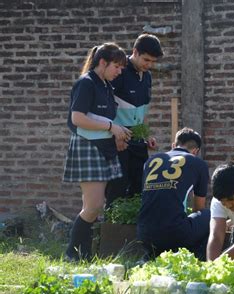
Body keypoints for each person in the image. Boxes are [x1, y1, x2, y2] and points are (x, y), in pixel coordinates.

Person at [63, 43, 131, 260]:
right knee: (93, 206)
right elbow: (78, 118)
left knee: (93, 207)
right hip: (87, 147)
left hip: (103, 147)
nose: (120, 72)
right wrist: (112, 128)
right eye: (117, 67)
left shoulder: (106, 85)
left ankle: (83, 254)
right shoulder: (86, 83)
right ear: (103, 62)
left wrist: (118, 134)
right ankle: (71, 254)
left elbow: (103, 118)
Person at [106, 33, 164, 207]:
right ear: (135, 52)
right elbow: (105, 106)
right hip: (118, 140)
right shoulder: (119, 72)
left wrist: (146, 135)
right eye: (146, 60)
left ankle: (134, 232)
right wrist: (115, 134)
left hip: (137, 140)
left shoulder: (147, 76)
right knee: (117, 188)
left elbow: (140, 112)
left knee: (140, 185)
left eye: (153, 62)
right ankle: (111, 230)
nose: (149, 65)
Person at [138, 127, 210, 261]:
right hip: (174, 234)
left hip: (143, 234)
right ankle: (197, 257)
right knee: (209, 215)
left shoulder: (150, 161)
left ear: (173, 145)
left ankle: (151, 256)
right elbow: (198, 208)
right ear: (196, 151)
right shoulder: (198, 163)